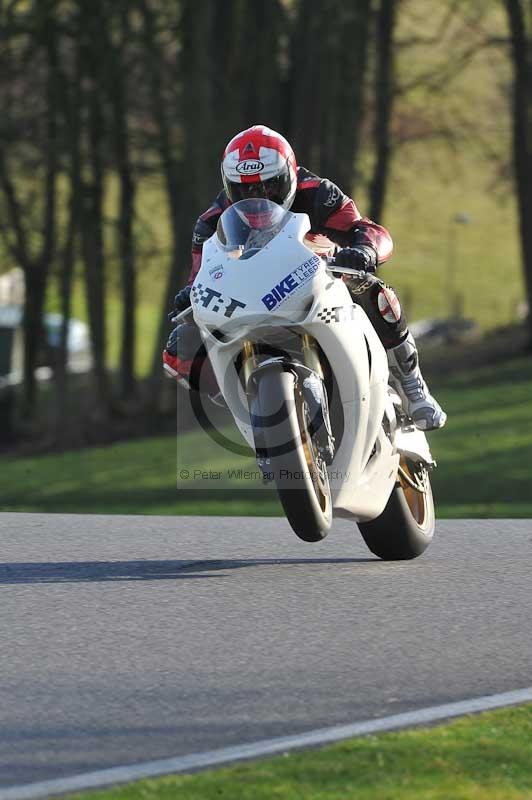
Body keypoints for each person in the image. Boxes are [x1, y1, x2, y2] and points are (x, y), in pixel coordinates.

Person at [163, 124, 446, 431]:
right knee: (179, 349)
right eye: (245, 189)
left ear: (289, 175)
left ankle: (414, 387)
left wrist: (364, 251)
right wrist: (190, 296)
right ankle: (249, 410)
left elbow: (369, 230)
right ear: (229, 185)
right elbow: (199, 275)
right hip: (251, 303)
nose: (257, 197)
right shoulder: (211, 221)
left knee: (376, 292)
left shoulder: (318, 194)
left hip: (320, 286)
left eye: (268, 186)